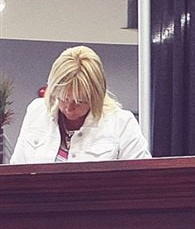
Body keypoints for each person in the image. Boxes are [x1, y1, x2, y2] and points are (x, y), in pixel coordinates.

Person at [10, 45, 151, 164]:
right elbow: (17, 170)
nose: (69, 108)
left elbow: (143, 180)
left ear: (96, 96)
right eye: (63, 98)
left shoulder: (121, 123)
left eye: (80, 101)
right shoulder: (37, 111)